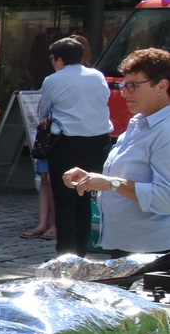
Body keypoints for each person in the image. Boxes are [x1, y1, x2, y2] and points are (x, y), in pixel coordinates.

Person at [64, 48, 170, 255]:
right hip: (131, 246)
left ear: (162, 85)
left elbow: (166, 197)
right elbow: (128, 177)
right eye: (124, 85)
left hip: (155, 251)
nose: (124, 92)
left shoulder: (166, 130)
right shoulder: (140, 122)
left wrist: (111, 184)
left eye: (133, 85)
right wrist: (94, 179)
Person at [38, 36, 114, 256]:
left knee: (64, 200)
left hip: (67, 143)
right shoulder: (98, 76)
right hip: (97, 142)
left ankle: (66, 252)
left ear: (59, 60)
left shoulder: (53, 79)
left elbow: (44, 112)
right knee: (84, 196)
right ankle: (81, 250)